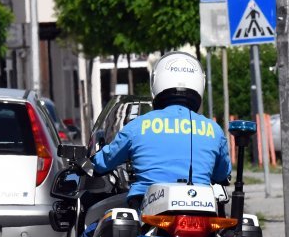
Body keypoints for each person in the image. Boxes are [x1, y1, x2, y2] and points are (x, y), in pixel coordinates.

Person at [92, 51, 231, 210]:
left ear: (156, 82)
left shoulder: (138, 126)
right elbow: (222, 174)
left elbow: (103, 162)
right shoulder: (213, 129)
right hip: (202, 208)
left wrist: (89, 160)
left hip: (147, 211)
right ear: (200, 83)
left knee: (95, 229)